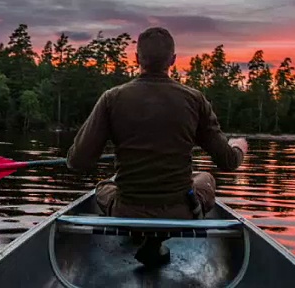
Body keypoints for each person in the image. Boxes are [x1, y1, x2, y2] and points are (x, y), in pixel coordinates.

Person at [66, 27, 248, 266]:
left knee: (105, 186)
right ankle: (157, 238)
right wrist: (238, 147)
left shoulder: (112, 98)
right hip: (180, 211)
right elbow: (228, 162)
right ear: (173, 60)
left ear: (137, 58)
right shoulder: (195, 100)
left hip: (127, 212)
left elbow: (78, 162)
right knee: (205, 179)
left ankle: (141, 234)